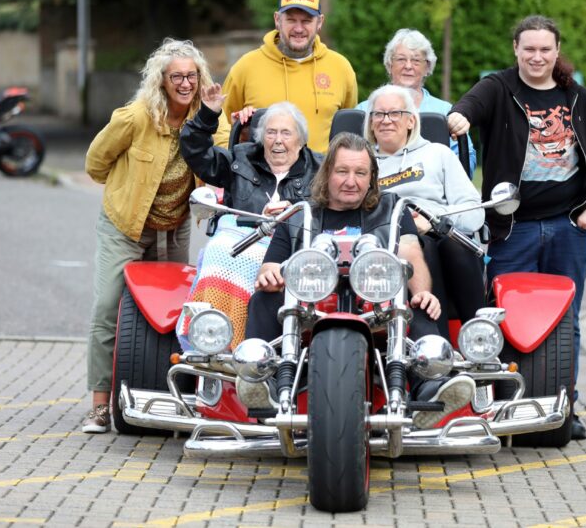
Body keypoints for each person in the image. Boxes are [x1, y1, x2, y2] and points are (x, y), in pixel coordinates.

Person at [447, 15, 586, 440]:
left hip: (568, 228)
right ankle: (506, 405)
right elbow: (469, 104)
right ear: (516, 49)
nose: (537, 56)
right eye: (529, 49)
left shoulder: (577, 98)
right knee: (503, 319)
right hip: (514, 229)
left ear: (557, 50)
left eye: (545, 49)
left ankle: (565, 409)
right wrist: (460, 117)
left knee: (567, 320)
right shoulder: (499, 89)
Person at [239, 132, 476, 429]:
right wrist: (270, 276)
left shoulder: (392, 208)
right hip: (309, 309)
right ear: (327, 174)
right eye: (342, 171)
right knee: (264, 299)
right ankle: (262, 385)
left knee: (417, 304)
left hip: (379, 308)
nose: (351, 181)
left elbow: (411, 254)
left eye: (360, 173)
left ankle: (429, 390)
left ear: (372, 176)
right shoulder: (300, 213)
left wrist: (423, 292)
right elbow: (270, 267)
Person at [83, 38, 229, 433]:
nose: (185, 83)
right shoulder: (135, 117)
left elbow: (224, 153)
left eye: (191, 76)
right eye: (176, 76)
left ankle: (162, 397)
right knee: (108, 308)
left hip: (173, 226)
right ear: (162, 81)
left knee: (171, 315)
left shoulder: (210, 113)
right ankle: (99, 406)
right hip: (125, 225)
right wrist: (121, 191)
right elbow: (96, 161)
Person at [177, 83, 324, 348]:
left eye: (286, 133)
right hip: (240, 237)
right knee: (218, 251)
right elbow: (197, 154)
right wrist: (207, 115)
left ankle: (246, 344)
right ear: (260, 137)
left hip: (292, 247)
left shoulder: (321, 168)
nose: (277, 140)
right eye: (270, 132)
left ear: (301, 140)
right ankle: (211, 340)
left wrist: (293, 215)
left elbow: (333, 210)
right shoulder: (241, 159)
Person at [364, 84, 486, 338]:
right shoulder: (362, 163)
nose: (386, 121)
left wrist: (433, 221)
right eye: (378, 114)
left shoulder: (438, 154)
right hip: (386, 247)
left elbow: (475, 214)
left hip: (441, 234)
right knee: (421, 248)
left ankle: (480, 337)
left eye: (394, 113)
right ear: (370, 122)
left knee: (454, 244)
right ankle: (434, 346)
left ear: (411, 120)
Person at [221, 0, 358, 152]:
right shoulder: (245, 67)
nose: (298, 29)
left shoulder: (341, 68)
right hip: (262, 176)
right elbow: (221, 128)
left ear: (320, 22)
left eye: (306, 21)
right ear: (277, 20)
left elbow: (350, 135)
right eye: (291, 20)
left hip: (322, 176)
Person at [357, 28, 476, 173]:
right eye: (401, 59)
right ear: (389, 65)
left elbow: (466, 161)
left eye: (416, 60)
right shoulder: (365, 109)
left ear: (427, 67)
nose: (408, 66)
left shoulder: (445, 111)